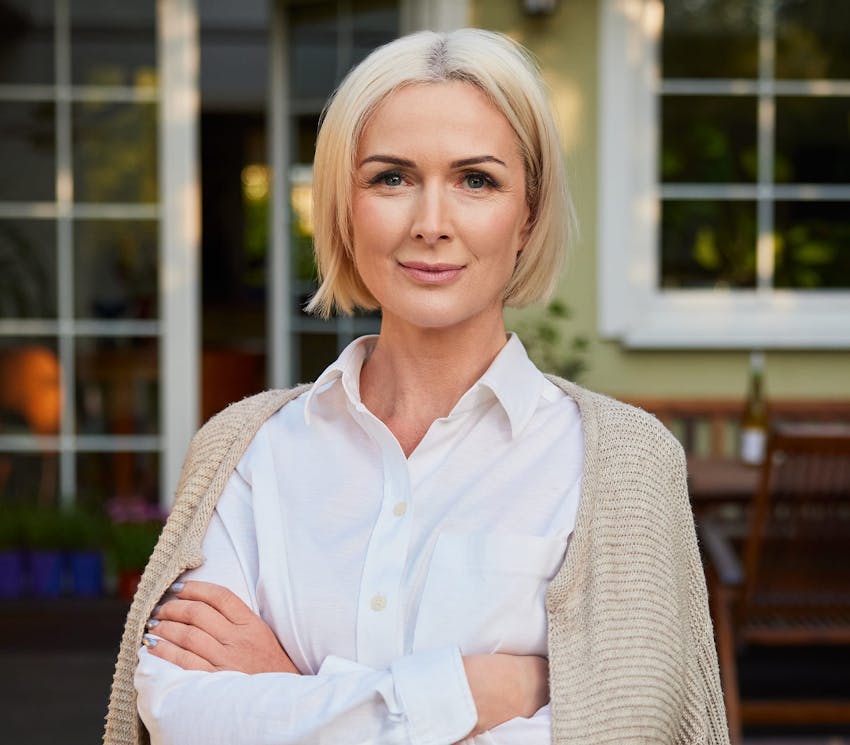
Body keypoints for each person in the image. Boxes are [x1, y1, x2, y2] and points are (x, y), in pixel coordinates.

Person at [104, 28, 729, 745]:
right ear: (344, 206)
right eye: (392, 178)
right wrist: (482, 691)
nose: (432, 224)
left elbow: (627, 729)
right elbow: (183, 713)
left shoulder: (623, 463)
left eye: (477, 180)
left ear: (528, 213)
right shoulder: (246, 452)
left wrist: (289, 691)